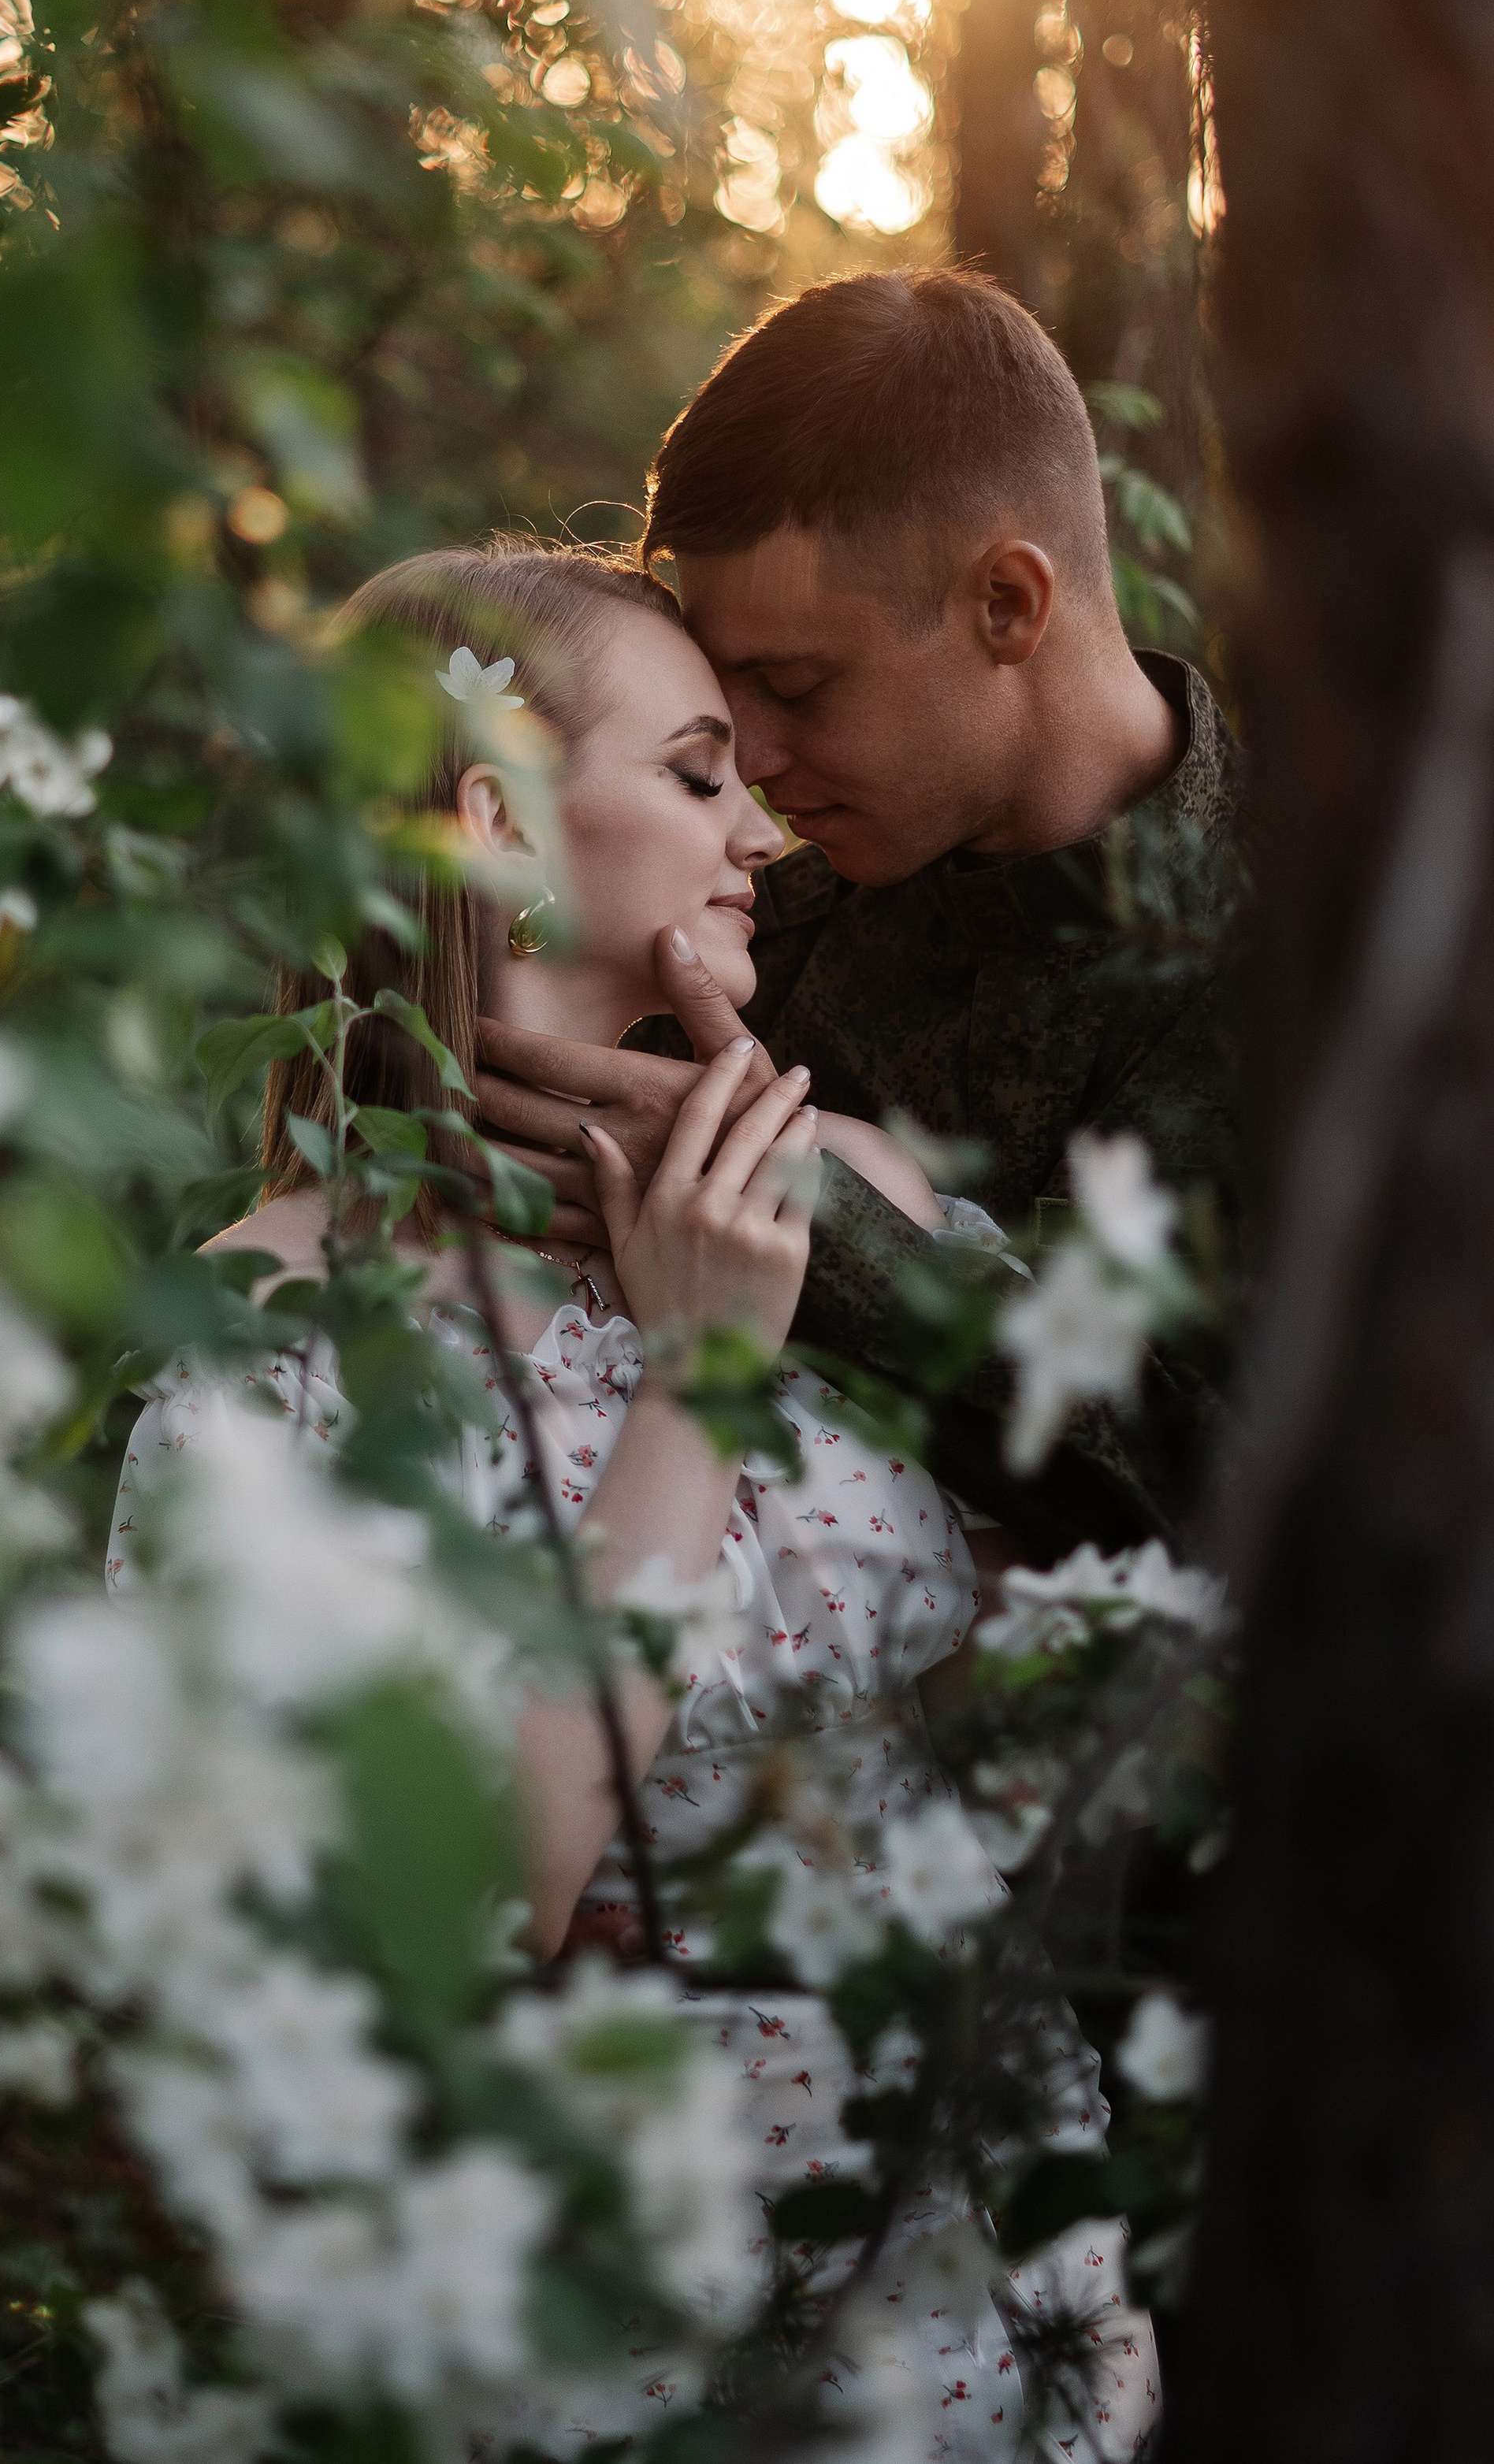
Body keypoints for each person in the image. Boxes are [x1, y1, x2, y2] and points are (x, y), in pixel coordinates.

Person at [110, 543, 1158, 2459]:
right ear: (492, 819)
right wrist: (698, 1376)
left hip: (997, 2331)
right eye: (696, 772)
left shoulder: (849, 1204)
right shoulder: (276, 1347)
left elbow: (1076, 1748)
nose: (762, 830)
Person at [472, 271, 1243, 1561]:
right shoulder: (726, 903)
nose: (752, 769)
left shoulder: (1344, 977)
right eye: (723, 704)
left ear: (1010, 604)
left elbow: (1256, 1505)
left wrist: (804, 1213)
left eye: (793, 684)